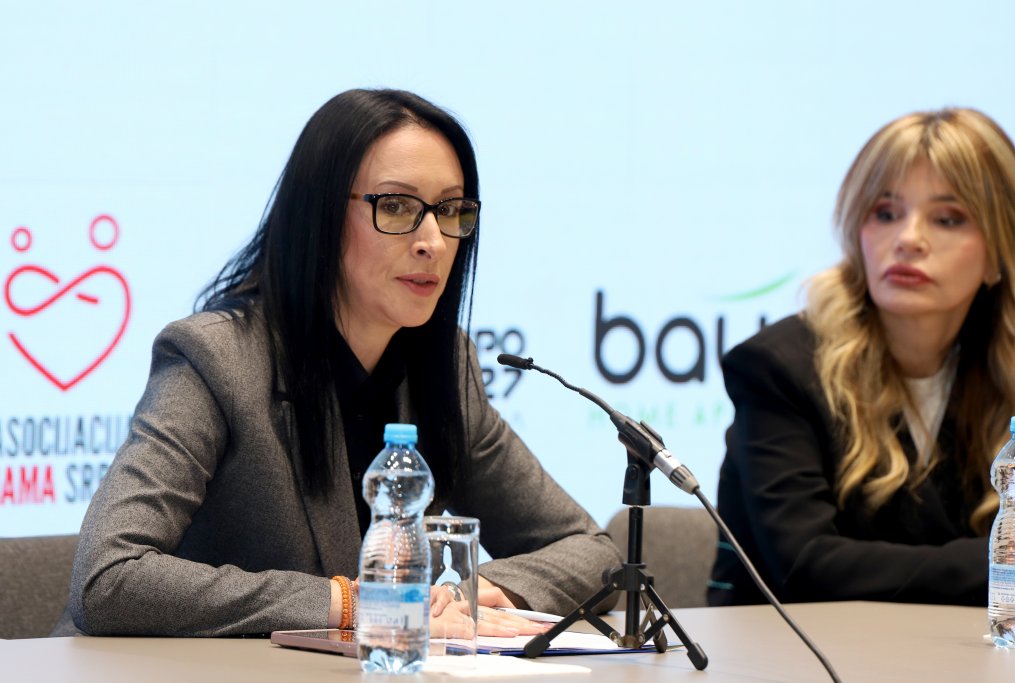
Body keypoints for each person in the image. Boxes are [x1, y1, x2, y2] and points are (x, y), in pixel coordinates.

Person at [52, 88, 620, 637]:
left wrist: (483, 588)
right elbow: (108, 577)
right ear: (320, 215)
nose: (433, 241)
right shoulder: (217, 360)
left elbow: (593, 553)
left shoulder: (444, 365)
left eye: (450, 210)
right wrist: (354, 603)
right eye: (396, 206)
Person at [708, 108, 1015, 606]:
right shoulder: (780, 368)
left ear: (1000, 250)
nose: (909, 239)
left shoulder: (1013, 370)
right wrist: (1007, 562)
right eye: (885, 213)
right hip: (791, 648)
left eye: (947, 219)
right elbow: (807, 566)